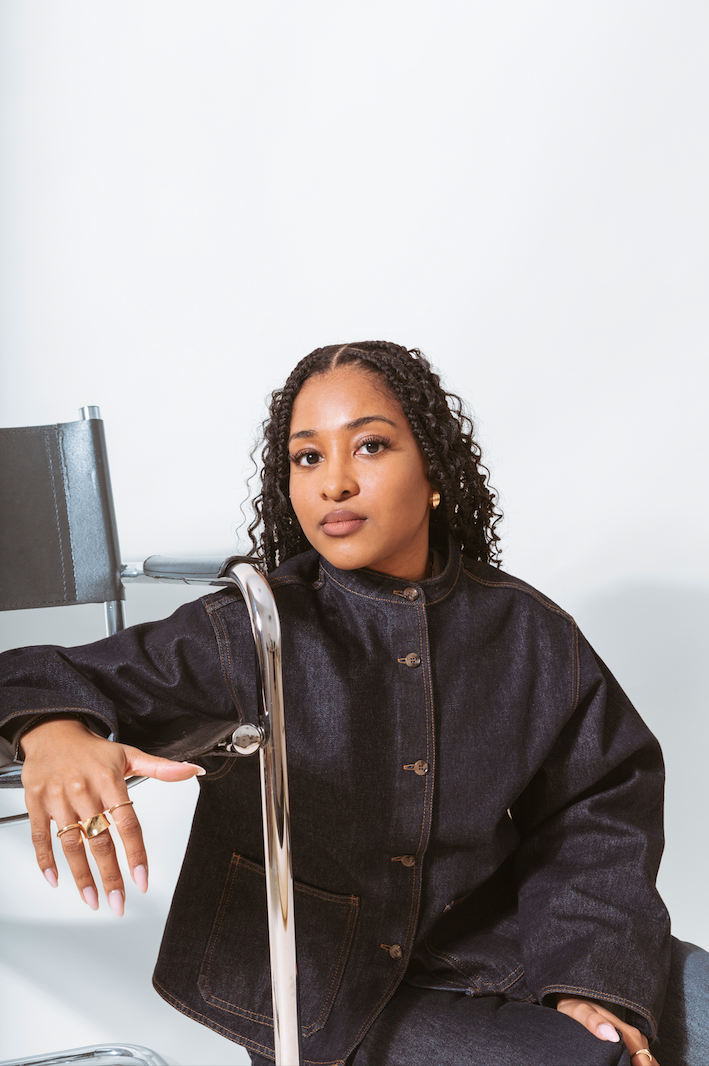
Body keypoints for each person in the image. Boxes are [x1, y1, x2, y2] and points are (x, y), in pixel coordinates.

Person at [0, 341, 706, 1066]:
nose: (334, 483)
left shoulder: (528, 632)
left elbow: (594, 811)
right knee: (590, 1060)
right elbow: (29, 674)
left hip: (501, 946)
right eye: (307, 458)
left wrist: (588, 979)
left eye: (369, 445)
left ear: (433, 470)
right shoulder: (256, 627)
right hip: (324, 986)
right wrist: (49, 730)